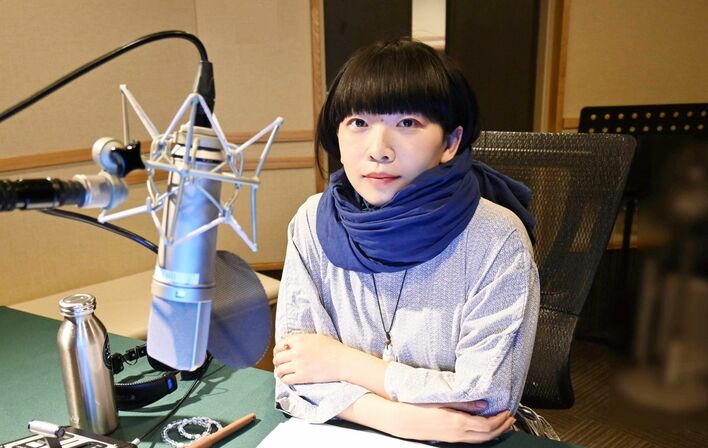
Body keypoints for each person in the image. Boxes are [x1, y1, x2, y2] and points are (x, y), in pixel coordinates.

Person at [272, 38, 540, 444]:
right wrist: (406, 419)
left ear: (450, 143)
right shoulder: (312, 223)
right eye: (358, 123)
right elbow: (295, 372)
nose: (379, 150)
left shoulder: (497, 238)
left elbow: (486, 397)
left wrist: (341, 363)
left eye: (408, 123)